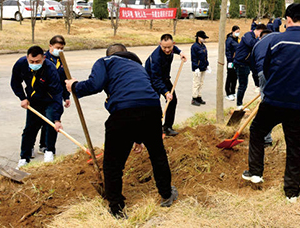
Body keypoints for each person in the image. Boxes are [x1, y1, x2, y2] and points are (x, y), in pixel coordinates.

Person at [65, 43, 178, 219]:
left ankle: (117, 208)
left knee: (113, 164)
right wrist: (138, 138)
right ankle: (166, 194)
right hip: (152, 109)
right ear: (127, 53)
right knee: (158, 155)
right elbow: (139, 97)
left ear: (109, 54)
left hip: (123, 112)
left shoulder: (105, 61)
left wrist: (74, 86)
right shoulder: (138, 67)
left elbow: (95, 84)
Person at [243, 4, 300, 203]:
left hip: (274, 100)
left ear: (288, 19)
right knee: (295, 145)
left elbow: (266, 68)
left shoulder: (276, 40)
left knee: (257, 131)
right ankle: (292, 192)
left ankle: (255, 172)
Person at [11, 45, 63, 167]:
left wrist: (57, 118)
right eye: (32, 61)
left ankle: (49, 152)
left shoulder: (50, 69)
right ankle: (24, 158)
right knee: (30, 128)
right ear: (27, 58)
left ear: (43, 58)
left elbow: (57, 93)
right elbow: (15, 82)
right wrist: (22, 98)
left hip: (49, 100)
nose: (34, 64)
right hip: (33, 100)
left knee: (51, 125)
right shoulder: (21, 64)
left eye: (37, 61)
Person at [145, 34, 188, 137]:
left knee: (172, 100)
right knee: (154, 105)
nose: (167, 50)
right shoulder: (156, 58)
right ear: (160, 44)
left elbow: (175, 49)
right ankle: (153, 130)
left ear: (173, 44)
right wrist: (166, 92)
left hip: (164, 78)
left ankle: (167, 128)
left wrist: (180, 52)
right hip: (151, 81)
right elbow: (156, 79)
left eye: (169, 47)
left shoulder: (171, 48)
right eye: (164, 47)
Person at [38, 35, 71, 155]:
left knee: (51, 121)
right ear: (50, 46)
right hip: (42, 96)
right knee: (40, 122)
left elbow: (65, 79)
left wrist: (66, 97)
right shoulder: (43, 59)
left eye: (62, 48)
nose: (59, 50)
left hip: (55, 97)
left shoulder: (62, 61)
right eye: (57, 48)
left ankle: (48, 148)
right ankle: (38, 145)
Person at [250, 29, 277, 145]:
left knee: (266, 107)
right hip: (279, 71)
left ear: (261, 37)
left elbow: (253, 67)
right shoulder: (279, 37)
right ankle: (299, 137)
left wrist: (259, 84)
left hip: (263, 73)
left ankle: (266, 139)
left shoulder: (256, 45)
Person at [233, 23, 267, 108]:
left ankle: (257, 87)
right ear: (259, 31)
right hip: (241, 63)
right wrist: (260, 40)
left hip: (247, 63)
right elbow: (252, 44)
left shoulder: (254, 37)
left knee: (254, 75)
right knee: (243, 84)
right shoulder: (248, 35)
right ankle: (239, 104)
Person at [191, 30, 210, 106]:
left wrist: (207, 65)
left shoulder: (203, 46)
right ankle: (194, 98)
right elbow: (194, 58)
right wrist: (196, 67)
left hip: (203, 67)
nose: (204, 39)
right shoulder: (194, 46)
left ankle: (199, 96)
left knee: (201, 83)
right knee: (196, 83)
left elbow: (205, 56)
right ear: (198, 37)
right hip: (197, 68)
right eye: (203, 38)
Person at [224, 26, 240, 101]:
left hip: (236, 61)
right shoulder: (229, 40)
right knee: (230, 76)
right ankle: (228, 93)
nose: (238, 33)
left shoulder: (237, 39)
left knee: (235, 76)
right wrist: (230, 61)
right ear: (232, 31)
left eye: (238, 32)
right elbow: (227, 51)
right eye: (236, 32)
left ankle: (233, 91)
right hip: (231, 61)